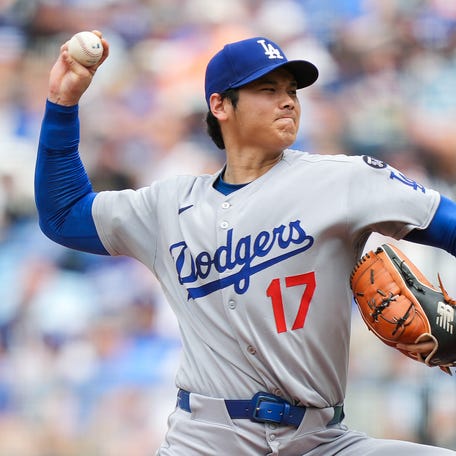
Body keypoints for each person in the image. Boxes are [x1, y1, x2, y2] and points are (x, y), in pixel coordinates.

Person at [35, 31, 456, 455]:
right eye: (267, 90)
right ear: (220, 105)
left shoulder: (346, 180)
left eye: (292, 90)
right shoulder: (167, 206)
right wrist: (62, 103)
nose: (288, 100)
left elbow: (449, 224)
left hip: (320, 440)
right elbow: (63, 215)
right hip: (204, 441)